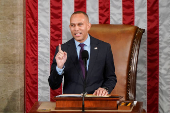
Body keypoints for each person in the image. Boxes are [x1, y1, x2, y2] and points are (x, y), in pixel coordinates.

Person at [48, 11, 117, 96]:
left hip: (96, 101)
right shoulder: (63, 49)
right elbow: (53, 85)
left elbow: (111, 78)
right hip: (72, 104)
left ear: (88, 26)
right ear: (70, 27)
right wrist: (59, 67)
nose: (76, 29)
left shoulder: (104, 48)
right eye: (73, 25)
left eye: (80, 24)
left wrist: (105, 88)